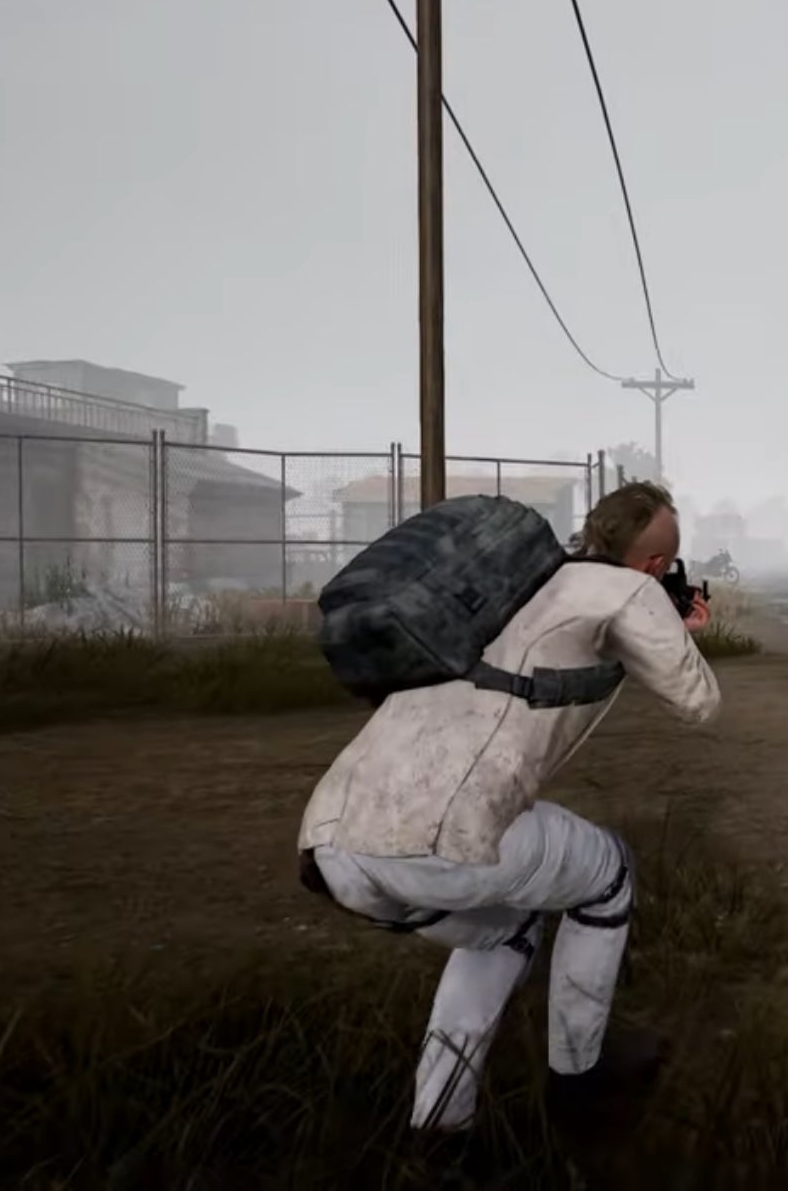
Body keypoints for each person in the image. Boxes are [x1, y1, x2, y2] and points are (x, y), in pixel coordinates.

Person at [297, 481, 720, 1133]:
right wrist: (677, 626)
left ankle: (440, 1125)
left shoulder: (514, 587)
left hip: (334, 845)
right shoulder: (629, 592)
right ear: (657, 563)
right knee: (609, 877)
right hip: (443, 838)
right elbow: (698, 702)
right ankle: (578, 1079)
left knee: (507, 929)